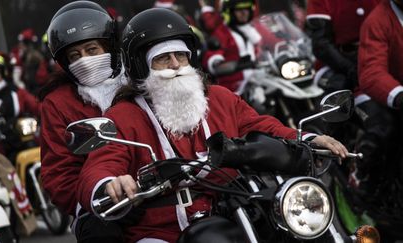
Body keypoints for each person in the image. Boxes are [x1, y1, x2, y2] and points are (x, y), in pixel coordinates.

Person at [77, 8, 348, 243]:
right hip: (162, 229)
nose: (175, 66)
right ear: (140, 66)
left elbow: (261, 125)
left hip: (235, 211)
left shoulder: (219, 98)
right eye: (163, 59)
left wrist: (307, 138)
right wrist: (111, 182)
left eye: (180, 56)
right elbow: (101, 163)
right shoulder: (124, 116)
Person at [39, 1, 127, 242]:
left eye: (92, 50)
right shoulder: (57, 103)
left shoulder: (137, 83)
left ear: (109, 46)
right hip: (97, 206)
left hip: (159, 187)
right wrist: (96, 196)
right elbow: (59, 173)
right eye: (75, 55)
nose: (84, 60)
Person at [305, 0, 394, 190]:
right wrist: (351, 68)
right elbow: (321, 45)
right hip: (341, 65)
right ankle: (355, 169)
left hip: (380, 61)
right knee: (381, 123)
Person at [358, 0, 403, 182]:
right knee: (383, 130)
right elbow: (371, 72)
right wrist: (399, 95)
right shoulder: (378, 20)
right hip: (389, 93)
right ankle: (362, 180)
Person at [200, 0, 280, 94]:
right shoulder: (222, 33)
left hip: (259, 78)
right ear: (229, 12)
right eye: (239, 10)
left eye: (247, 9)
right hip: (235, 88)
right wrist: (234, 65)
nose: (244, 13)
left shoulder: (256, 28)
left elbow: (275, 43)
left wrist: (290, 47)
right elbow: (213, 61)